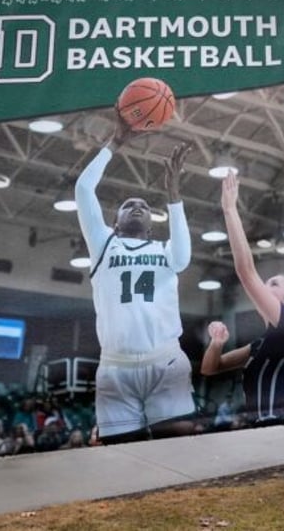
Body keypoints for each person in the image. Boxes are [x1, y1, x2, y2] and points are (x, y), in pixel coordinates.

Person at [75, 115, 197, 444]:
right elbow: (83, 189)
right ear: (114, 223)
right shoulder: (103, 243)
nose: (138, 207)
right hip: (116, 367)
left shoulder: (166, 250)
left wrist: (174, 197)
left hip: (166, 360)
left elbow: (184, 258)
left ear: (152, 225)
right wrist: (113, 144)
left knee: (178, 449)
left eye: (144, 206)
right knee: (120, 460)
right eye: (129, 205)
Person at [201, 171, 284, 426]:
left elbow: (246, 271)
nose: (265, 285)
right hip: (257, 429)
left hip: (280, 426)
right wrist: (216, 343)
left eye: (273, 283)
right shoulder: (260, 343)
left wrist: (229, 209)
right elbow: (210, 368)